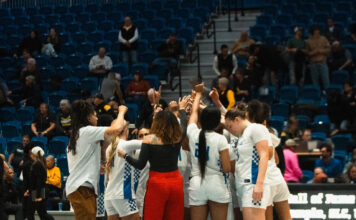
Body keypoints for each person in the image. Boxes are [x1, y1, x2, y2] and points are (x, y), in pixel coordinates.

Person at [65, 100, 127, 220]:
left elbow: (81, 160)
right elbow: (117, 129)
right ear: (88, 117)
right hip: (82, 188)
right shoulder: (87, 131)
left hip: (80, 187)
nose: (97, 118)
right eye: (94, 115)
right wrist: (121, 112)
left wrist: (98, 165)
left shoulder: (78, 134)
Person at [118, 110, 184, 220]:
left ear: (157, 122)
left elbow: (140, 165)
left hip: (157, 184)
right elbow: (185, 123)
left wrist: (125, 156)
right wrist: (181, 109)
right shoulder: (177, 138)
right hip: (176, 182)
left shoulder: (149, 139)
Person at [187, 83, 231, 220]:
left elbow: (193, 113)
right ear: (218, 123)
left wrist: (198, 94)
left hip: (196, 184)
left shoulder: (193, 133)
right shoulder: (220, 139)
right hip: (217, 183)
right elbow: (227, 168)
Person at [224, 103, 271, 220]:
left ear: (237, 120)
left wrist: (259, 184)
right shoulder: (242, 135)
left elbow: (264, 155)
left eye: (230, 127)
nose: (229, 130)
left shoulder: (256, 128)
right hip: (244, 185)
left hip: (253, 183)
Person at [104, 120, 142, 220]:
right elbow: (151, 142)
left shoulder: (109, 148)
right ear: (126, 130)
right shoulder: (126, 145)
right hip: (123, 193)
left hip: (109, 195)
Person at [26, 146, 54, 220]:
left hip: (37, 191)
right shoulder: (41, 164)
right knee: (40, 212)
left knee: (33, 212)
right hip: (38, 190)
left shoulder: (37, 164)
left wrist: (38, 196)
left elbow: (38, 181)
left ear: (33, 154)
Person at [306, 25, 330, 90]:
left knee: (326, 81)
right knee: (315, 82)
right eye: (316, 30)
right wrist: (314, 52)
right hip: (313, 63)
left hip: (322, 62)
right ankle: (317, 95)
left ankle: (328, 96)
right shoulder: (308, 41)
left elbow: (328, 49)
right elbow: (306, 53)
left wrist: (321, 51)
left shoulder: (324, 38)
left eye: (318, 30)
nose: (317, 32)